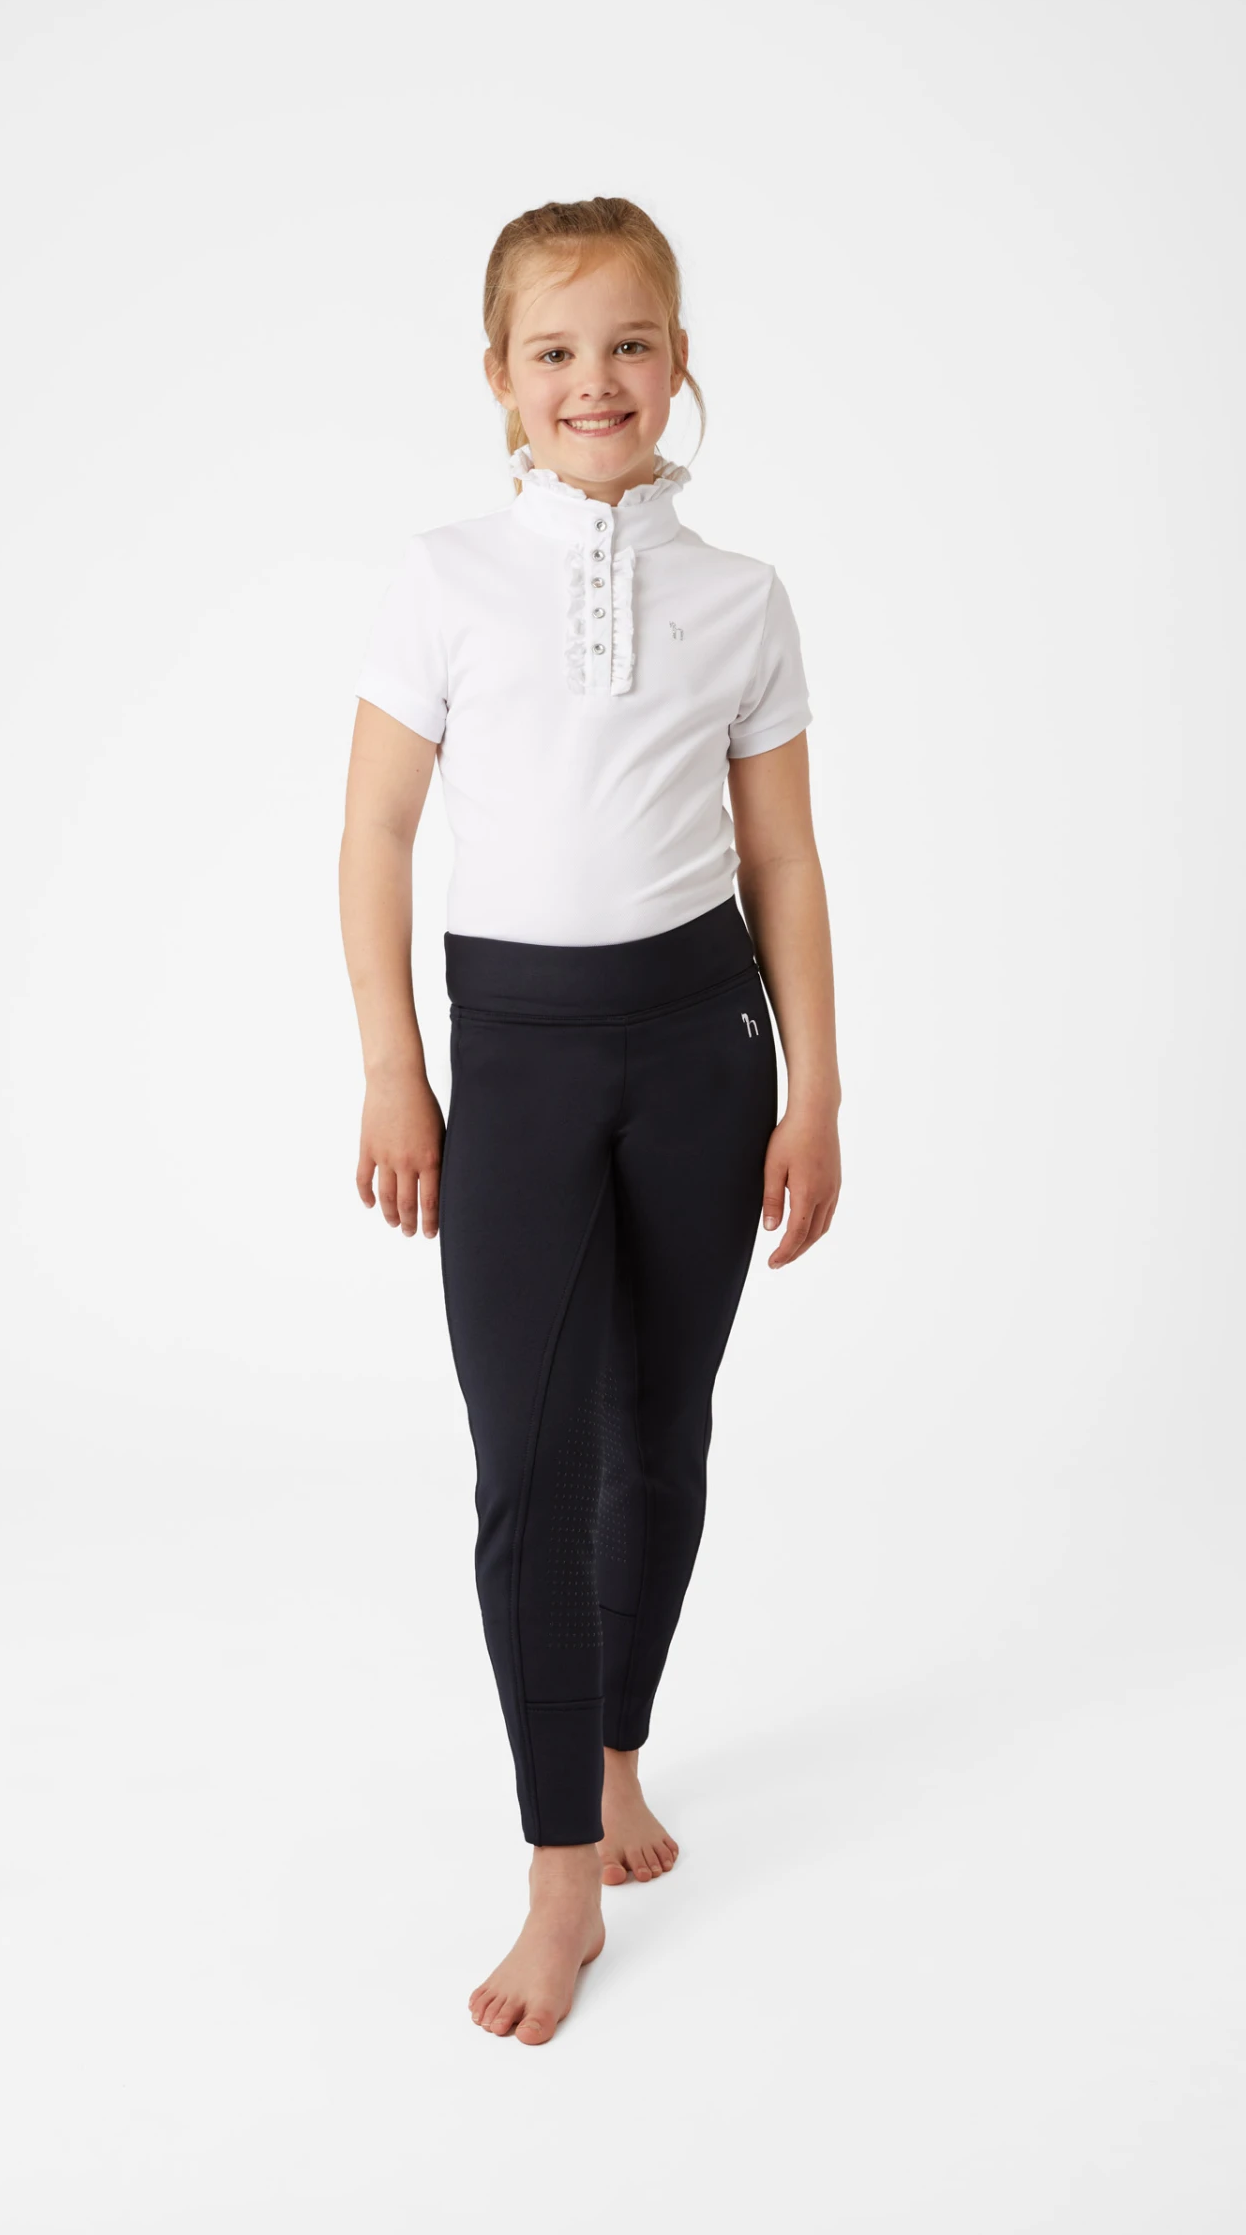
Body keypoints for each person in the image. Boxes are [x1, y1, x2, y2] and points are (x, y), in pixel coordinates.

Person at [341, 196, 842, 2046]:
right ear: (500, 379)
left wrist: (817, 1086)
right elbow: (377, 830)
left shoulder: (742, 598)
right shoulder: (446, 577)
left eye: (630, 343)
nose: (595, 380)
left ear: (679, 361)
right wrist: (396, 1065)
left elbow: (782, 858)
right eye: (555, 350)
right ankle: (562, 1870)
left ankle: (617, 1748)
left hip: (701, 1051)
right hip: (522, 1059)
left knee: (658, 1435)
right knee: (528, 1471)